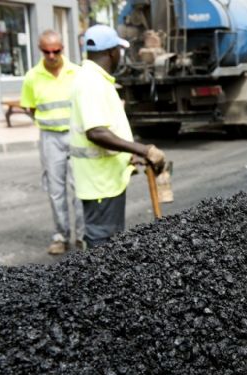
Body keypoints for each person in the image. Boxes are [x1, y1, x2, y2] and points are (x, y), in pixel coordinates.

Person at [69, 25, 166, 248]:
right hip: (100, 184)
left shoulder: (95, 79)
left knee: (110, 241)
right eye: (119, 51)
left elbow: (107, 129)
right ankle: (97, 283)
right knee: (103, 245)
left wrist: (129, 156)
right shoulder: (91, 82)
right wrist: (142, 149)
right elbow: (96, 132)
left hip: (104, 181)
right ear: (113, 52)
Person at [20, 29, 85, 255]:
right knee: (56, 190)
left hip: (75, 135)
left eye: (55, 51)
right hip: (50, 138)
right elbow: (29, 107)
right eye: (46, 52)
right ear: (40, 50)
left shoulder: (76, 73)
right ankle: (61, 236)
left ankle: (83, 236)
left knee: (80, 188)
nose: (51, 56)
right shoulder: (32, 77)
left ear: (62, 49)